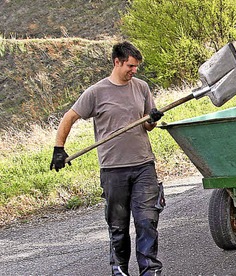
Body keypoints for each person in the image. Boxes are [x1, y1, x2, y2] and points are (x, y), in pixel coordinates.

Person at [50, 41, 164, 276]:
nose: (134, 71)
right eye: (131, 66)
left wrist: (152, 118)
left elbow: (149, 125)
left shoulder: (141, 87)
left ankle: (150, 271)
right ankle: (119, 271)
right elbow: (69, 117)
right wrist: (58, 148)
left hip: (143, 165)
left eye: (136, 67)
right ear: (117, 62)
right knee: (118, 227)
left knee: (147, 221)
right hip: (113, 170)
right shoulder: (96, 92)